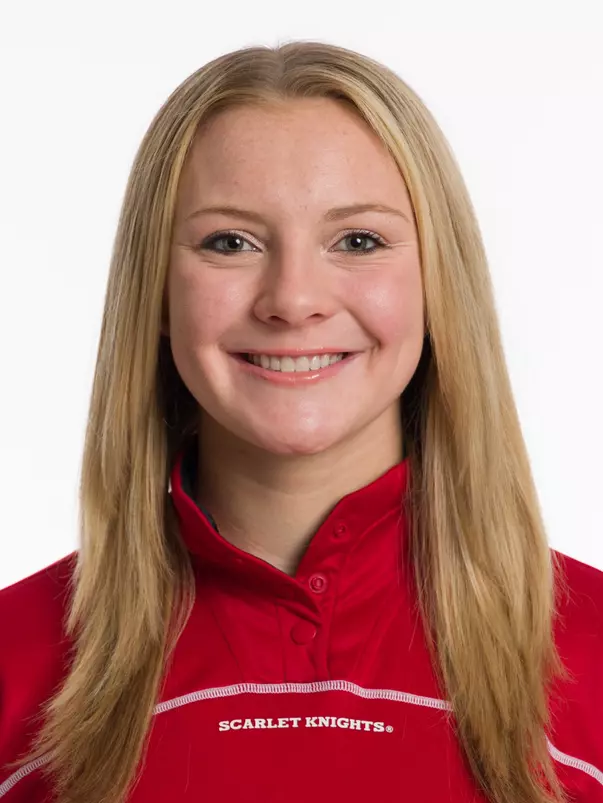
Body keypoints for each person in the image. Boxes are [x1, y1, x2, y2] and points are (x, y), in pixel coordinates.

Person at [0, 40, 601, 803]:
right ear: (155, 290)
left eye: (357, 240)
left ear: (436, 283)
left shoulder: (595, 657)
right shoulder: (12, 663)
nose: (292, 299)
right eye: (230, 241)